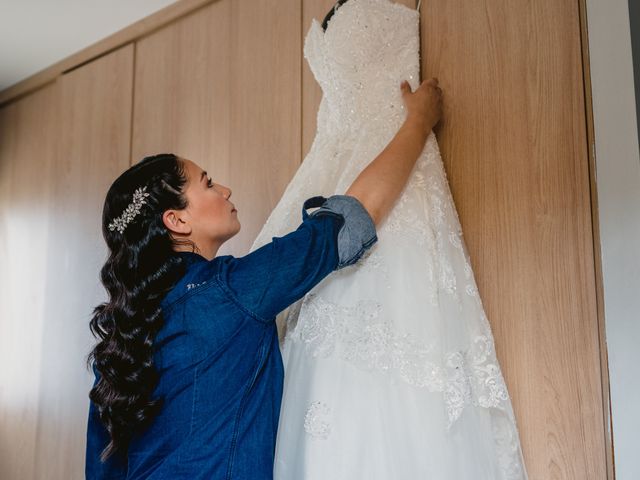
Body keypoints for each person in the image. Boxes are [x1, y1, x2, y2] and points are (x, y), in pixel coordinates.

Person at [84, 77, 442, 479]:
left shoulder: (120, 347)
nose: (225, 188)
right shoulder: (233, 290)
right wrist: (419, 122)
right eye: (207, 182)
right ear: (177, 220)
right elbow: (352, 220)